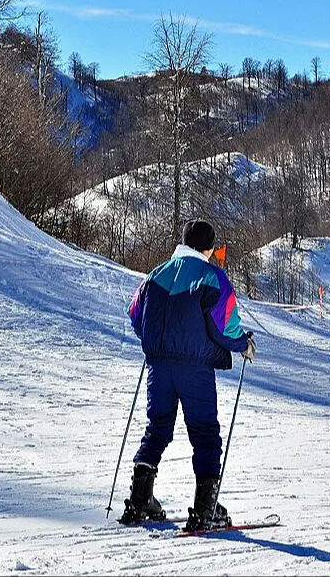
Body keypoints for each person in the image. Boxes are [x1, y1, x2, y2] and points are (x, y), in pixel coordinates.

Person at [119, 219, 256, 530]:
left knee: (158, 428)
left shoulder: (155, 275)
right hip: (195, 368)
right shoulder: (212, 277)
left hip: (159, 365)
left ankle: (140, 499)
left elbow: (135, 314)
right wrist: (242, 343)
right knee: (205, 431)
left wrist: (155, 343)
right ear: (209, 248)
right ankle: (204, 507)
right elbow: (224, 325)